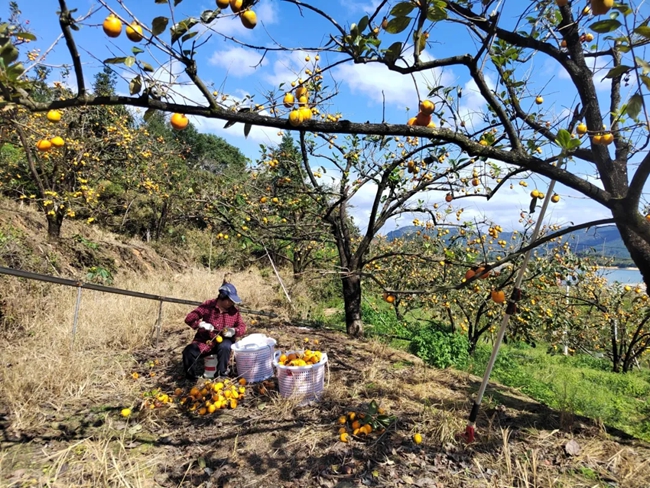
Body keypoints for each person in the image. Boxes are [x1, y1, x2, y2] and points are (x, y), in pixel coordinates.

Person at [182, 281, 247, 380]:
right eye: (230, 300)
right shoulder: (208, 305)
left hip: (223, 341)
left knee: (225, 346)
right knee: (188, 351)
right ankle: (190, 377)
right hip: (205, 341)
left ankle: (222, 374)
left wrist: (234, 331)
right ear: (222, 297)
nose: (232, 303)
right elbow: (189, 318)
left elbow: (242, 327)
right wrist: (200, 324)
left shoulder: (234, 311)